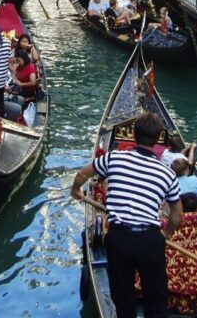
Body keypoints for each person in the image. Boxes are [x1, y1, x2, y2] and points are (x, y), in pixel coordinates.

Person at [71, 112, 182, 318]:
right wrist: (165, 235)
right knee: (156, 298)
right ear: (158, 139)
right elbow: (177, 217)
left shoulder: (114, 157)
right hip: (150, 240)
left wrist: (76, 190)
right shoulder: (167, 174)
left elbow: (81, 175)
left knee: (123, 297)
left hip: (119, 238)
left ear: (133, 135)